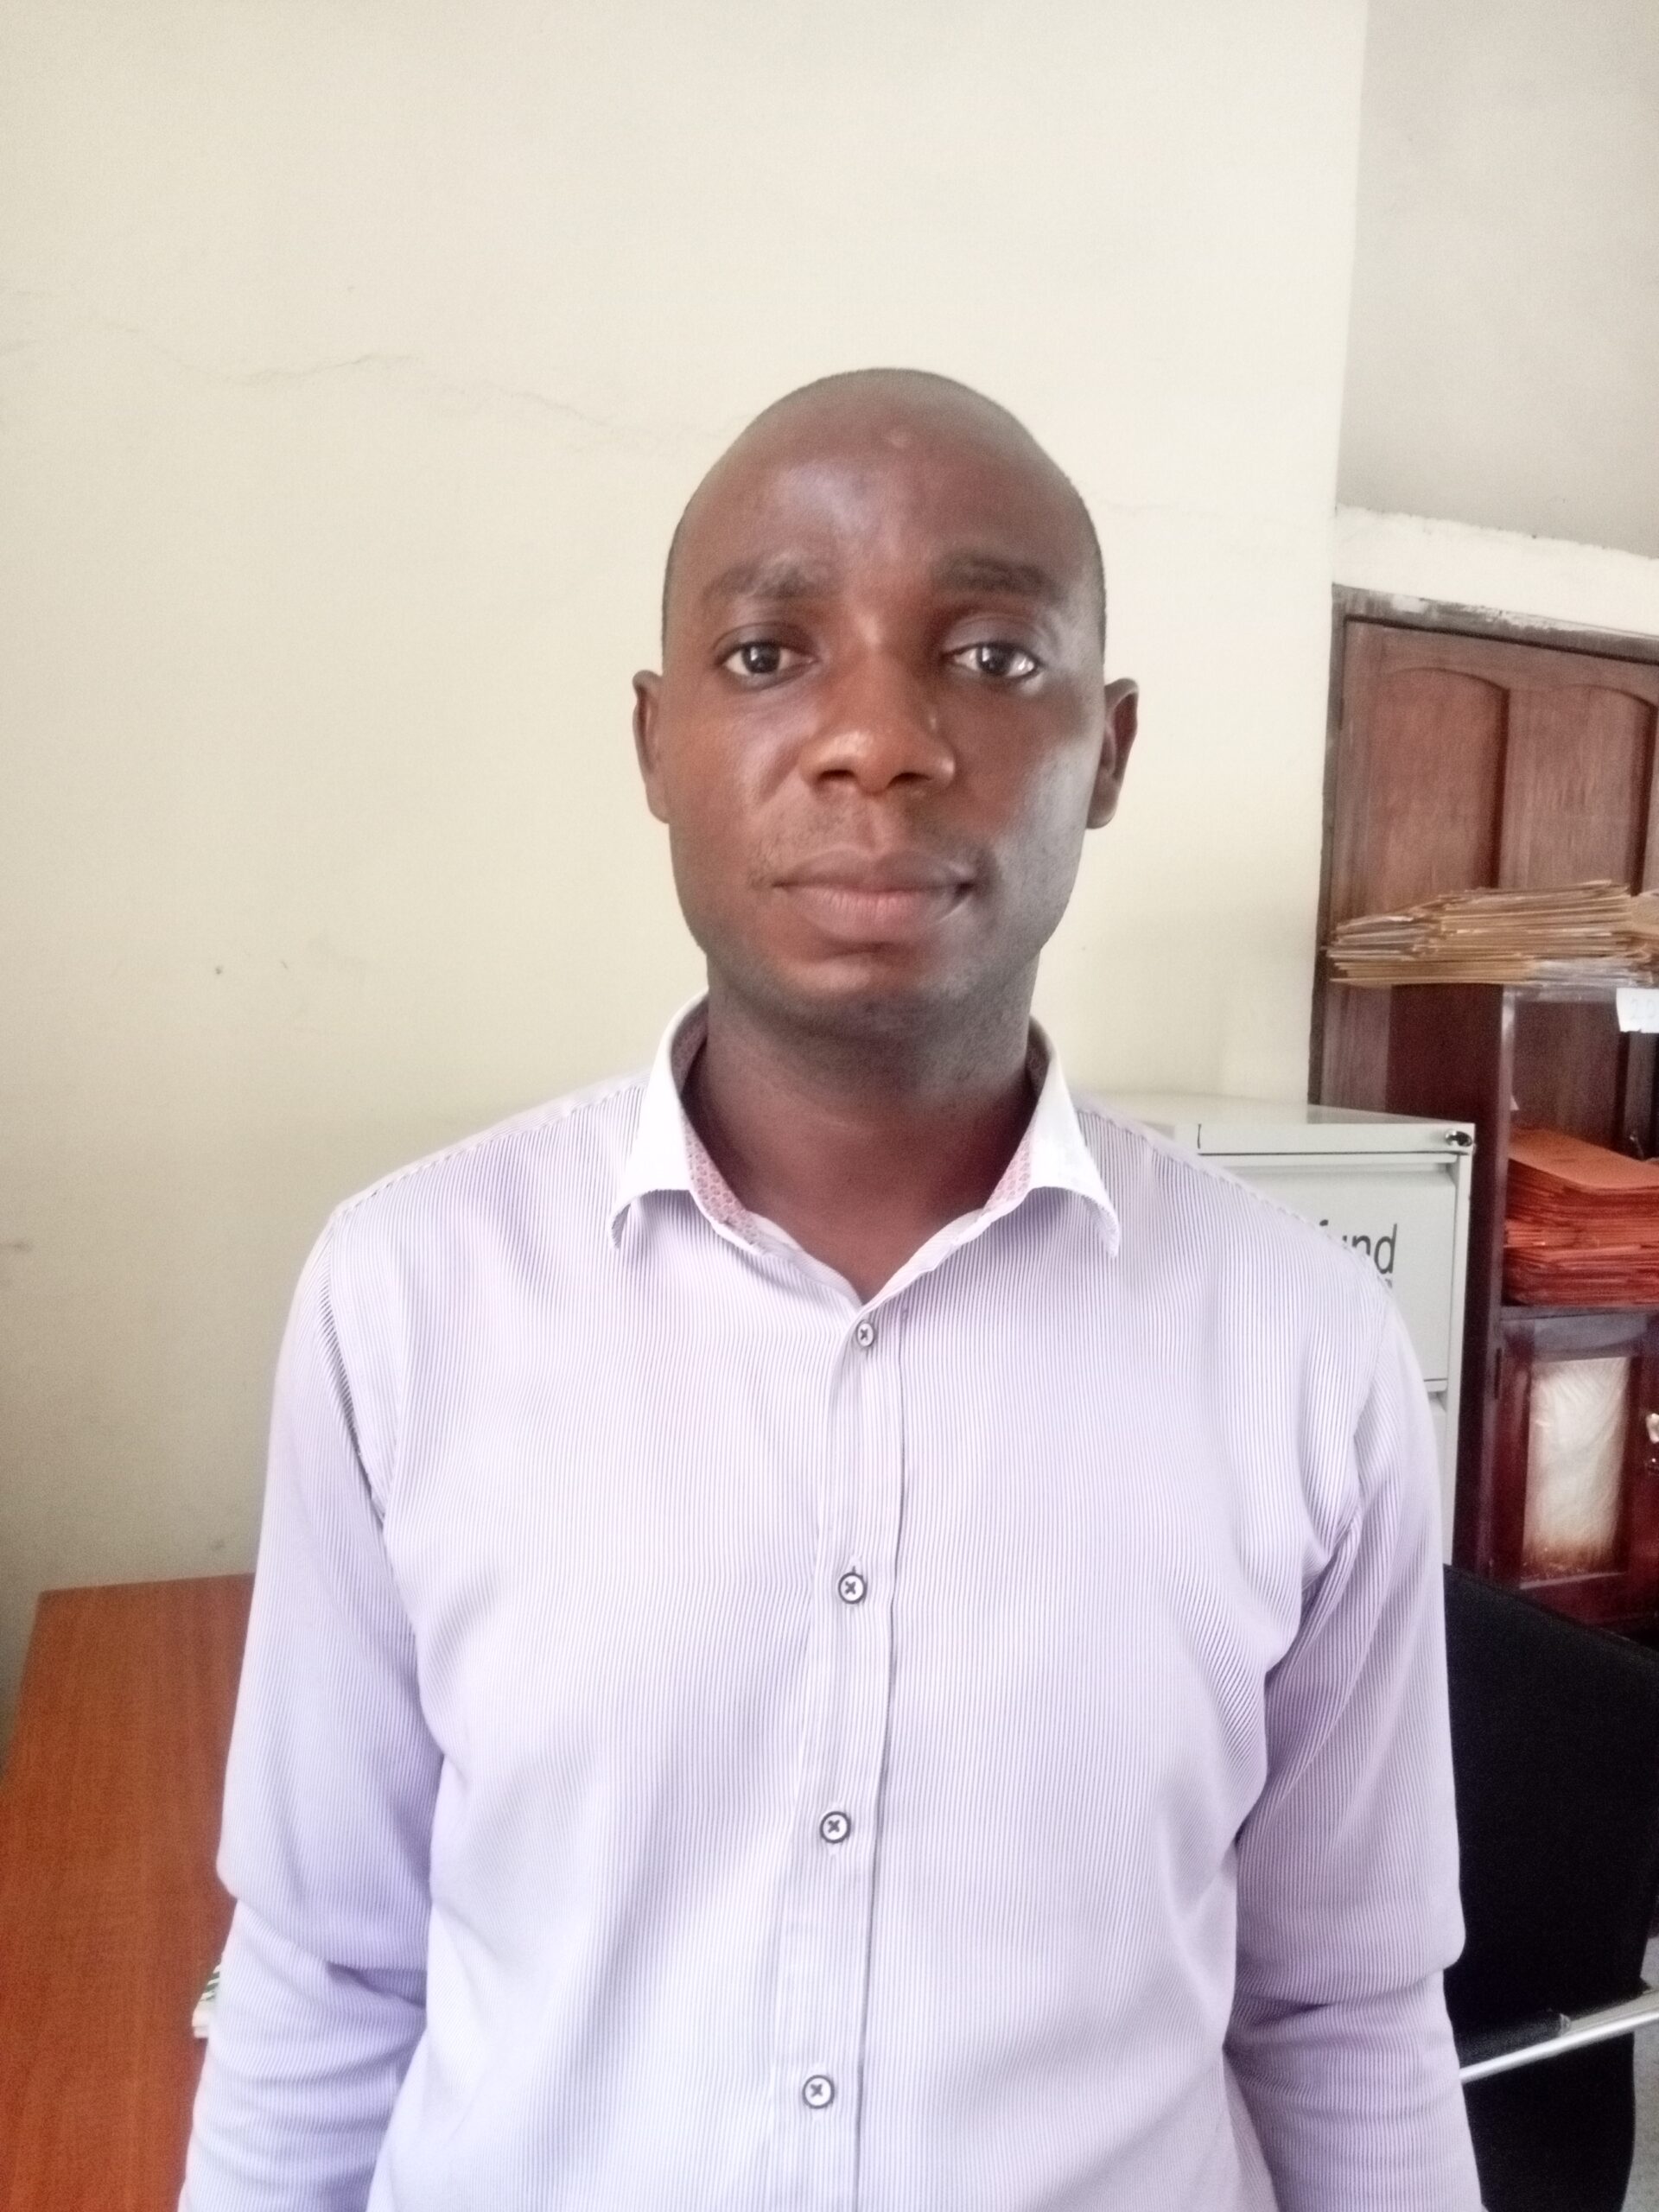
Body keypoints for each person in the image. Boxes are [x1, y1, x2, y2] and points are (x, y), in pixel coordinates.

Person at [180, 368, 1481, 2211]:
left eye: (994, 657)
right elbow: (326, 1974)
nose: (877, 740)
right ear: (656, 744)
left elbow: (1343, 2012)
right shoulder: (406, 1297)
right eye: (770, 653)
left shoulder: (1305, 1350)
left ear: (1110, 752)